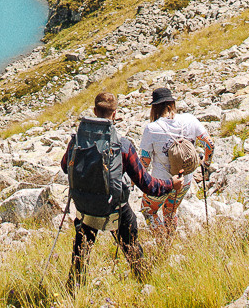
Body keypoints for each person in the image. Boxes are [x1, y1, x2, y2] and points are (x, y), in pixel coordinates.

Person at [59, 90, 179, 287]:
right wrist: (170, 184)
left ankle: (73, 291)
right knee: (133, 250)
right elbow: (147, 184)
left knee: (80, 257)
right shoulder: (122, 146)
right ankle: (144, 284)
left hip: (85, 208)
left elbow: (65, 167)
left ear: (94, 111)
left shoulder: (77, 141)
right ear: (114, 114)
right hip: (115, 208)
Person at [136, 86, 215, 238]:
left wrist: (136, 180)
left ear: (154, 107)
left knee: (148, 210)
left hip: (161, 182)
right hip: (184, 181)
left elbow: (145, 161)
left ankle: (162, 241)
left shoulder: (152, 129)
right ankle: (170, 239)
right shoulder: (190, 120)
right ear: (172, 104)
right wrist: (206, 163)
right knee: (170, 211)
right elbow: (210, 144)